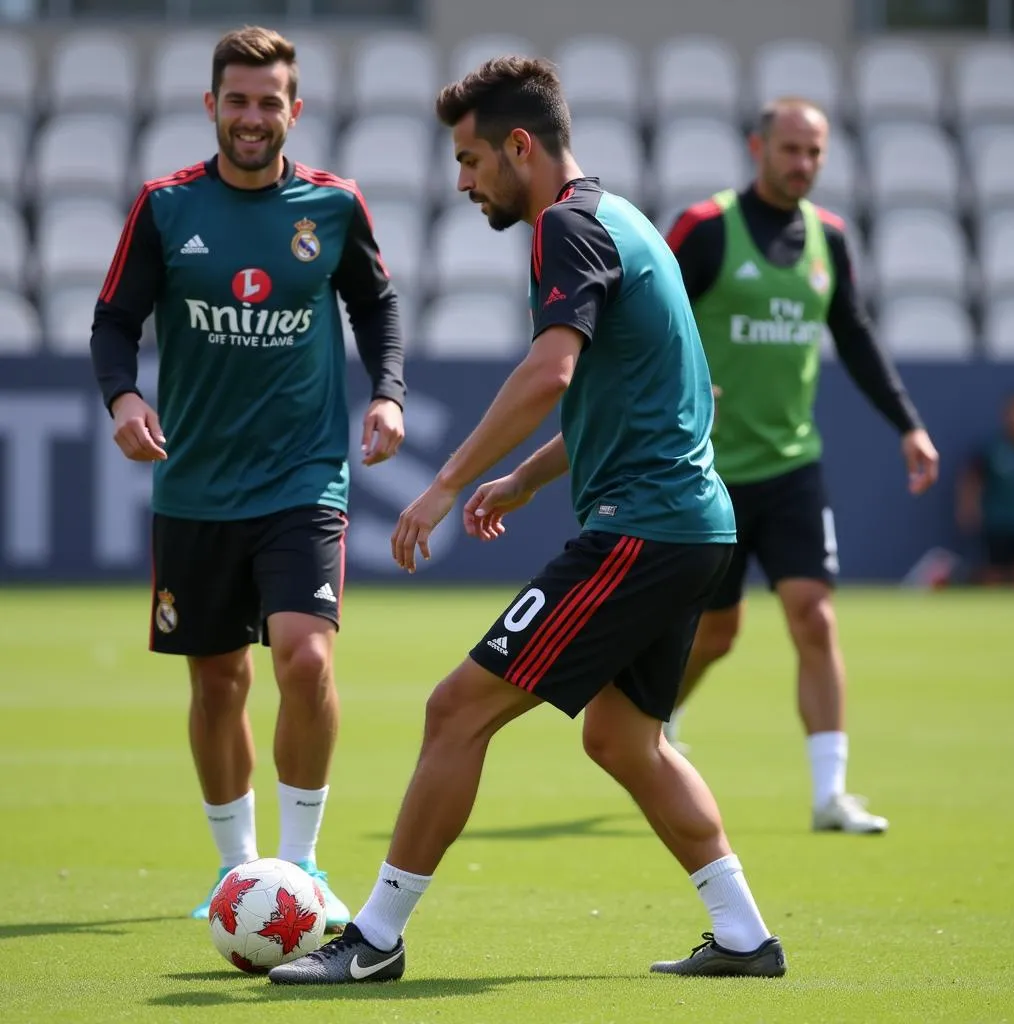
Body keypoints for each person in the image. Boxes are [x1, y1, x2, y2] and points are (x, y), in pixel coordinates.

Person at [269, 56, 786, 985]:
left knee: (455, 709)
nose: (461, 183)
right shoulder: (625, 221)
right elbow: (633, 395)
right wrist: (525, 479)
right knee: (622, 738)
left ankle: (374, 940)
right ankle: (745, 935)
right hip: (691, 523)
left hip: (645, 524)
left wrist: (442, 485)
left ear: (520, 145)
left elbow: (550, 373)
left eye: (470, 160)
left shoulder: (566, 228)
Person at [89, 25, 406, 929]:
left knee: (305, 662)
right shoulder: (163, 208)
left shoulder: (334, 206)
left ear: (293, 111)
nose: (254, 117)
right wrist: (122, 400)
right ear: (212, 107)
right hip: (194, 484)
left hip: (304, 477)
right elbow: (114, 322)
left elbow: (376, 305)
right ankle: (237, 873)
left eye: (270, 102)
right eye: (238, 100)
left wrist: (385, 394)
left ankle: (299, 867)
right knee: (218, 680)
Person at [662, 96, 940, 834]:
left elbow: (854, 335)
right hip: (709, 470)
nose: (803, 164)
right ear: (758, 147)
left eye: (815, 152)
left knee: (813, 617)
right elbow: (649, 317)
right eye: (791, 149)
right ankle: (663, 717)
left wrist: (909, 426)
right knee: (716, 635)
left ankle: (829, 795)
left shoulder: (831, 239)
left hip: (793, 467)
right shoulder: (707, 229)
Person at [956, 392, 1014, 586]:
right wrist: (968, 509)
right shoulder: (992, 448)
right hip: (998, 522)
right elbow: (972, 480)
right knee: (994, 573)